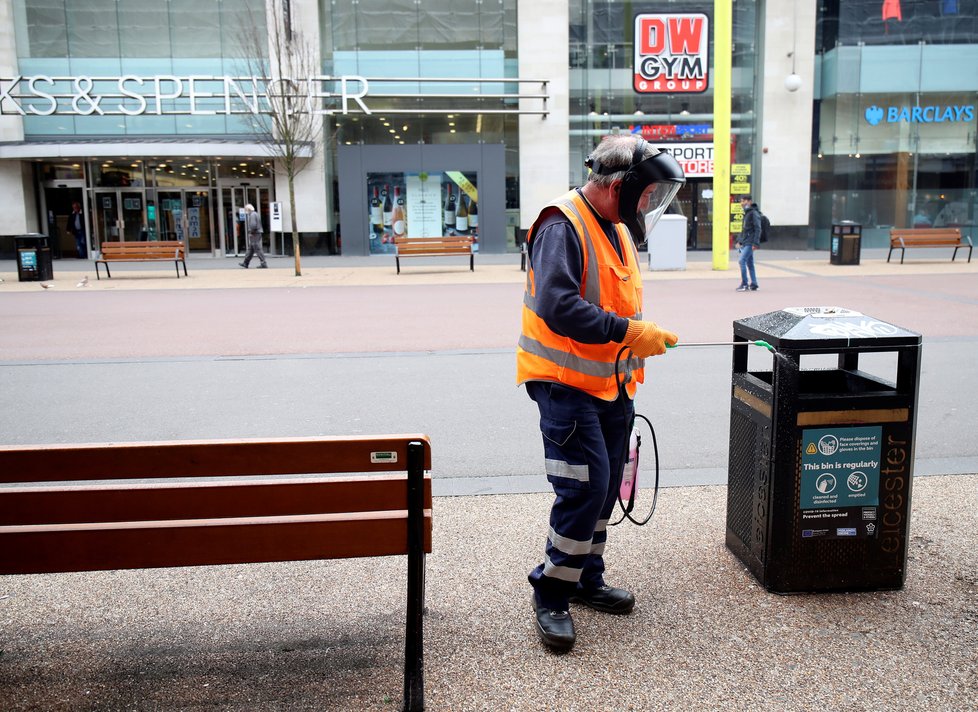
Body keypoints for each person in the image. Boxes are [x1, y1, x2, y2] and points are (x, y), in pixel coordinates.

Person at [516, 134, 685, 652]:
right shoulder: (560, 224)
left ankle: (585, 577)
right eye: (647, 193)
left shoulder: (615, 228)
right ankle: (551, 592)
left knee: (607, 486)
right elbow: (557, 304)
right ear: (620, 184)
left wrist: (638, 335)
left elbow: (614, 299)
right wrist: (627, 332)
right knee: (584, 487)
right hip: (566, 384)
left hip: (610, 383)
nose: (649, 204)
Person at [736, 196, 760, 292]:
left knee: (742, 260)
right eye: (741, 201)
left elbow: (758, 228)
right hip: (746, 242)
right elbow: (745, 230)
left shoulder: (753, 213)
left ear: (749, 201)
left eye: (744, 201)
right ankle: (754, 284)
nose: (742, 203)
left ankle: (744, 284)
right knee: (750, 263)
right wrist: (740, 241)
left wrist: (756, 243)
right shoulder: (747, 213)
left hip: (750, 242)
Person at [239, 204, 268, 268]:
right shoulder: (255, 214)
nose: (246, 211)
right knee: (250, 249)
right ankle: (245, 263)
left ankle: (263, 263)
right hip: (256, 233)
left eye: (246, 210)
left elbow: (253, 225)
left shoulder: (252, 215)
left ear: (249, 209)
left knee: (257, 249)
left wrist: (251, 232)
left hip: (255, 234)